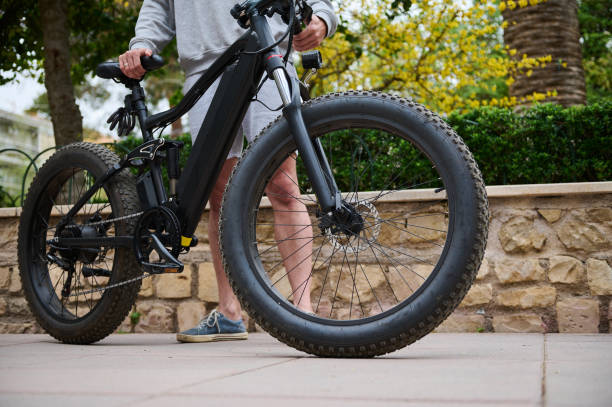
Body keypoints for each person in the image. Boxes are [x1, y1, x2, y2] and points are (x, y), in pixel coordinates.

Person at [119, 0, 338, 343]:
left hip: (269, 55)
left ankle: (304, 311)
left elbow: (318, 7)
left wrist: (322, 17)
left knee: (283, 187)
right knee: (219, 195)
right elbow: (158, 4)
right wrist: (143, 42)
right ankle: (229, 313)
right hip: (204, 67)